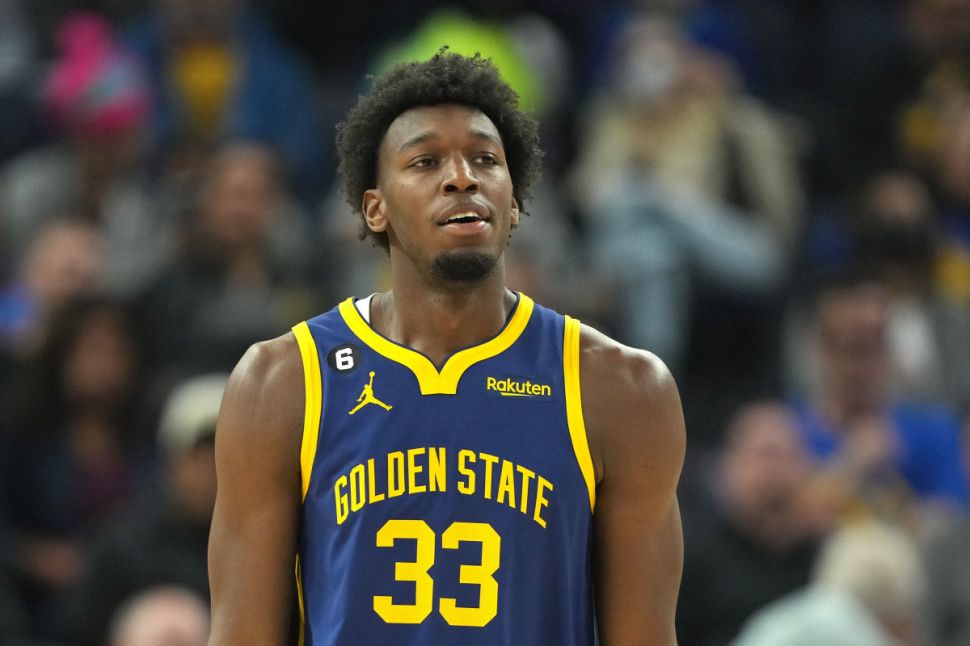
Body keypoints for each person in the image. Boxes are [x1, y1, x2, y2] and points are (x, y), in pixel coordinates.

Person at [207, 50, 686, 645]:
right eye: (425, 161)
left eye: (485, 159)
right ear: (375, 209)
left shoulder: (620, 388)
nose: (462, 177)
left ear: (514, 203)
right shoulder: (283, 381)